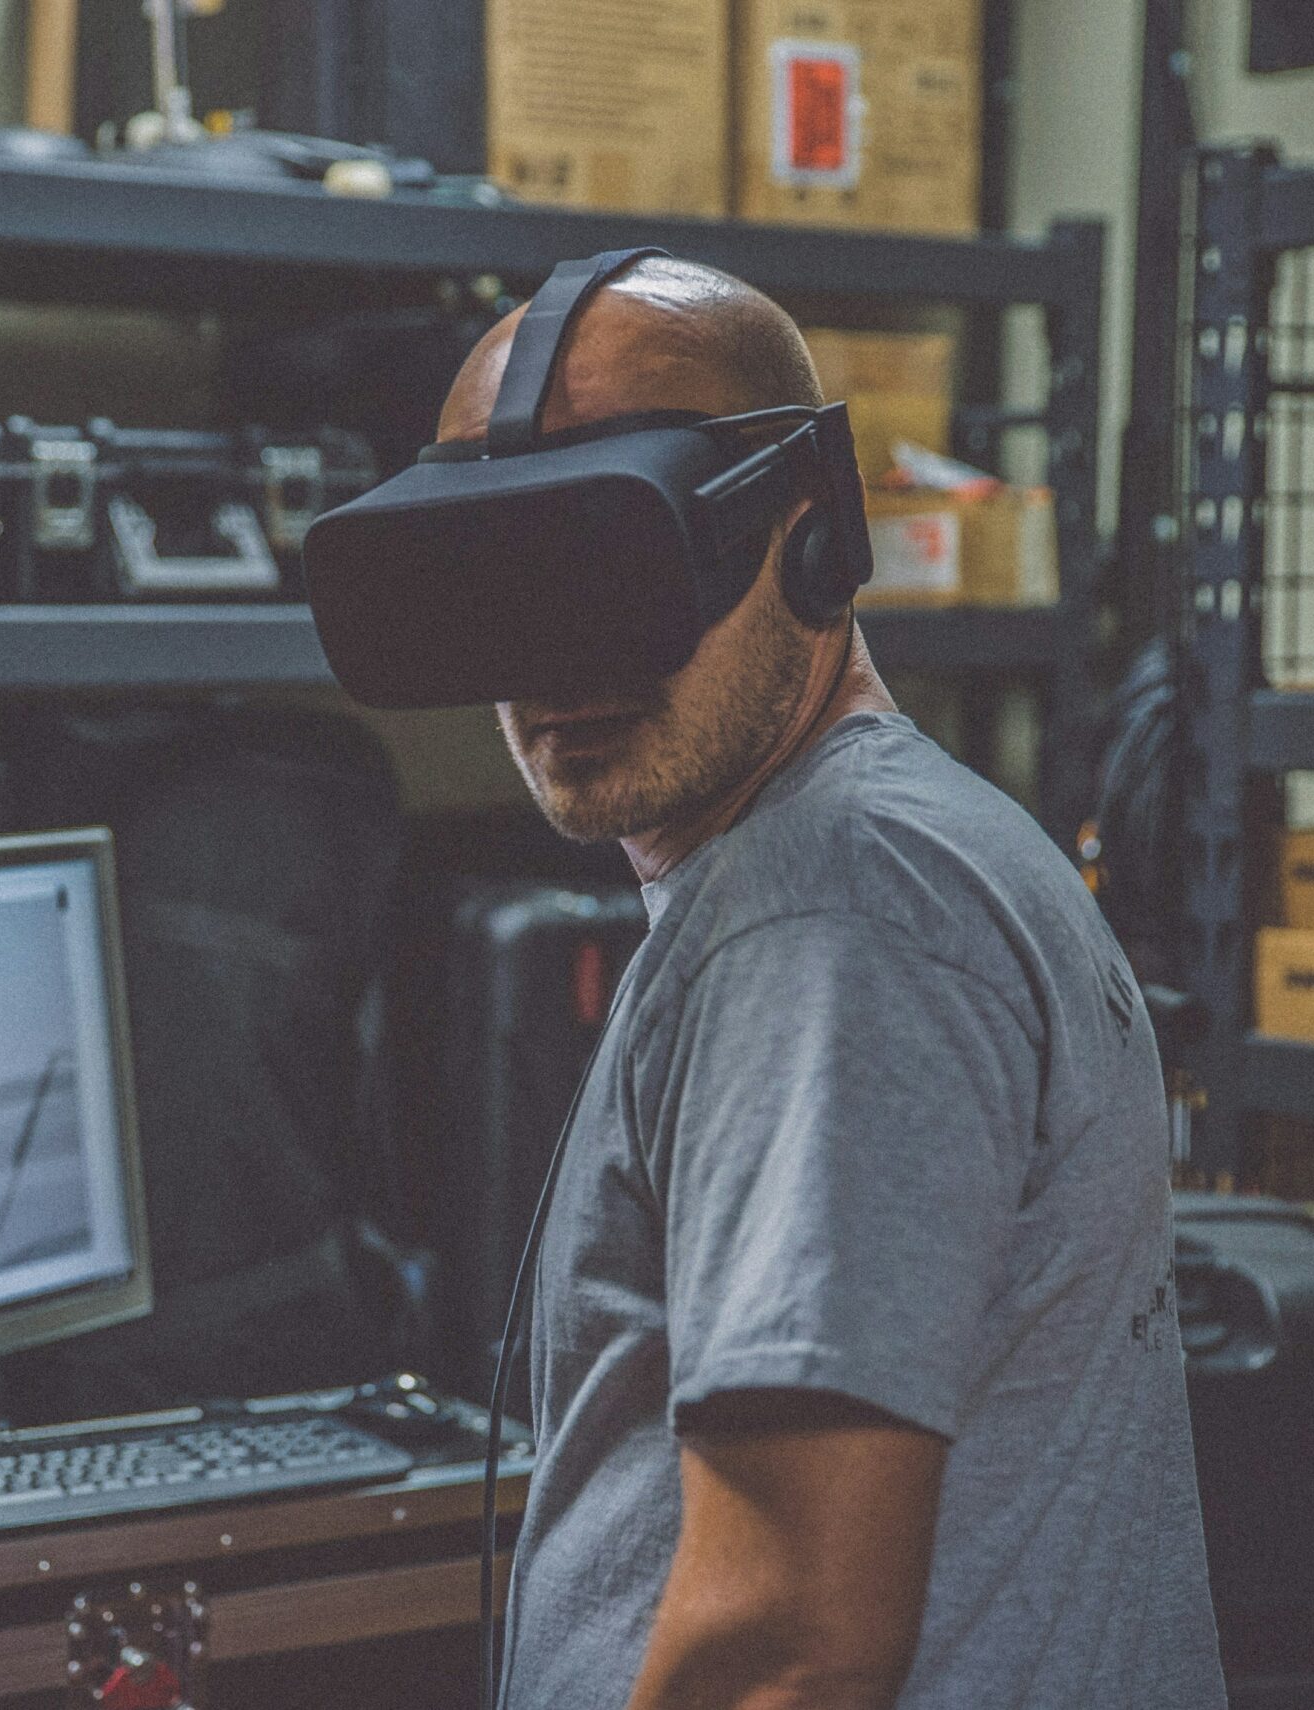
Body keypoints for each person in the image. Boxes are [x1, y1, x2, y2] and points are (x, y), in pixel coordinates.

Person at [467, 257, 1227, 1710]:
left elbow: (789, 1646)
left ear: (813, 536)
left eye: (623, 569)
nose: (559, 659)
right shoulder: (886, 847)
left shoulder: (827, 905)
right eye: (509, 580)